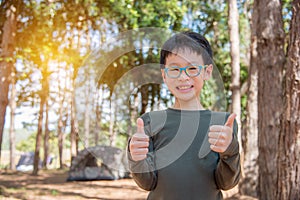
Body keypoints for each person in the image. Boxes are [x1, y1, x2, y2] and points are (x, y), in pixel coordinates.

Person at [127, 31, 241, 200]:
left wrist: (230, 150)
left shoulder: (222, 123)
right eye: (175, 69)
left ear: (207, 72)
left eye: (192, 68)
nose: (183, 77)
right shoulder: (150, 122)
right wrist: (136, 158)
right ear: (164, 75)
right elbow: (147, 183)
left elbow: (226, 183)